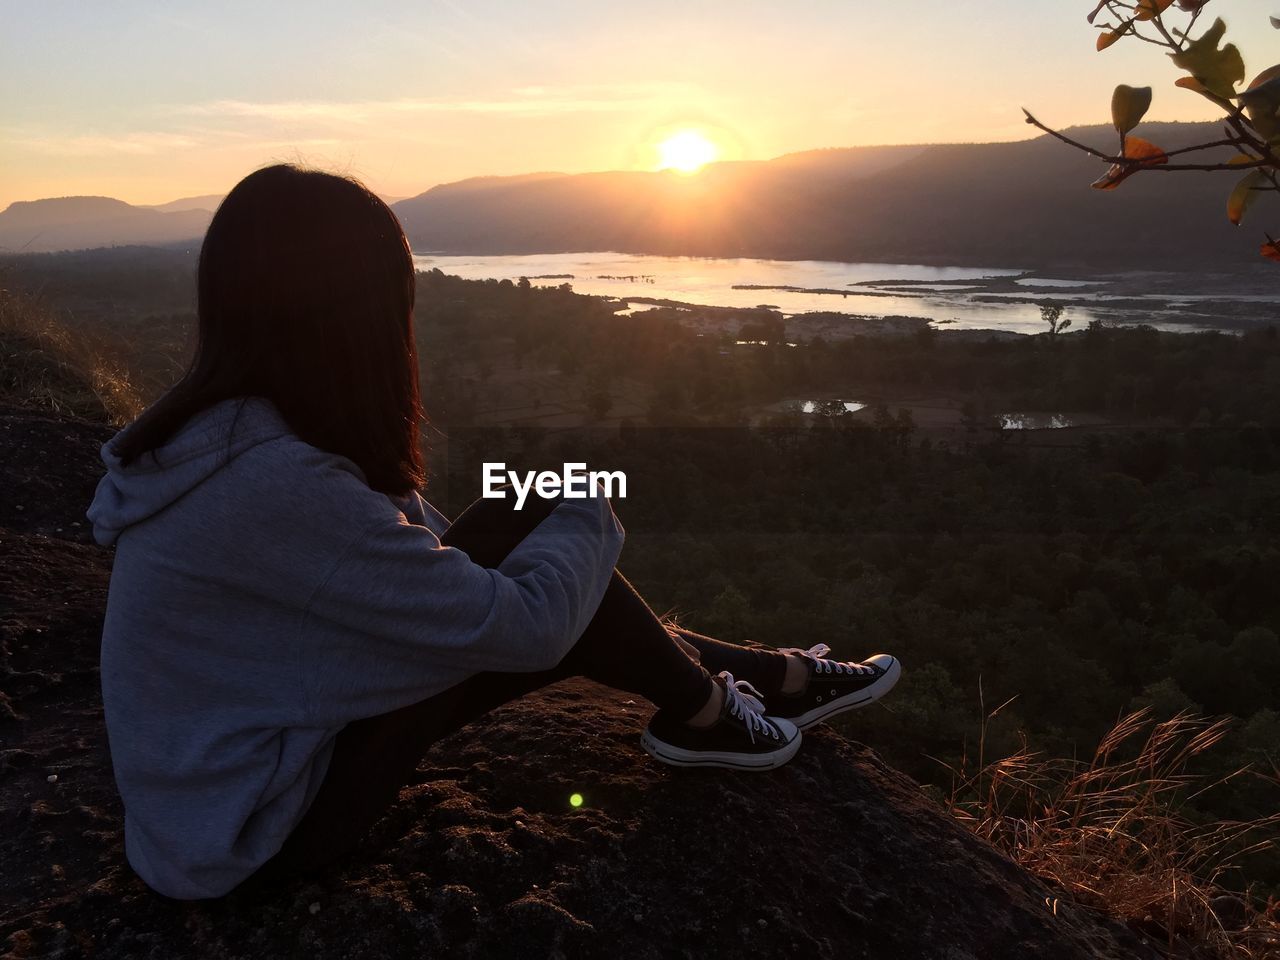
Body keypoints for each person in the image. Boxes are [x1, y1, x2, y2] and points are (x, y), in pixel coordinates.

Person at [86, 164, 902, 901]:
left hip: (225, 787)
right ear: (354, 314)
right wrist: (587, 500)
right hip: (255, 831)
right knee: (548, 560)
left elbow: (450, 561)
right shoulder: (275, 483)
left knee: (521, 508)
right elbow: (529, 626)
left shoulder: (230, 433)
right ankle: (718, 711)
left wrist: (554, 504)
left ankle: (747, 688)